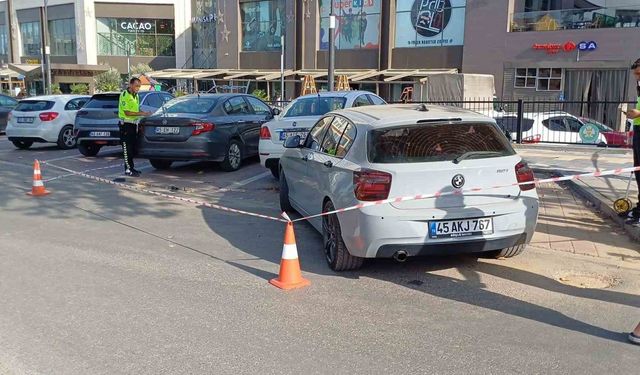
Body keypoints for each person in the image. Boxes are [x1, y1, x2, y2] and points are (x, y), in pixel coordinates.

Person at [118, 77, 150, 177]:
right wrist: (142, 113)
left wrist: (142, 113)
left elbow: (136, 109)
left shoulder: (136, 96)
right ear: (130, 85)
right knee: (127, 148)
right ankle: (128, 169)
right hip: (125, 125)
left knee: (132, 148)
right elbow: (127, 112)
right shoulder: (125, 95)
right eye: (136, 86)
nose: (138, 88)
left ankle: (131, 168)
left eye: (139, 86)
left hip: (133, 124)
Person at [622, 58, 640, 224]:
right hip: (639, 131)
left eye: (639, 74)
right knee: (638, 170)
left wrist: (639, 113)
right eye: (635, 75)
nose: (637, 77)